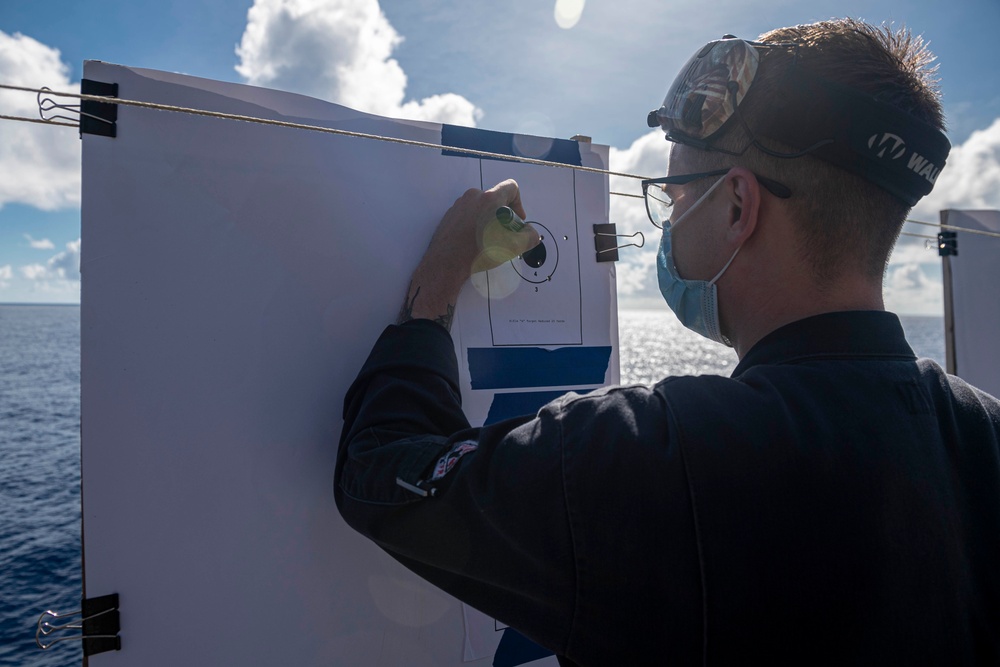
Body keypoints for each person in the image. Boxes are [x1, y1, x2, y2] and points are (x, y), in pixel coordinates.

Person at [335, 18, 1000, 666]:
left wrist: (437, 283)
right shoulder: (987, 435)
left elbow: (385, 471)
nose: (669, 219)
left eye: (676, 193)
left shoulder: (651, 455)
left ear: (738, 207)